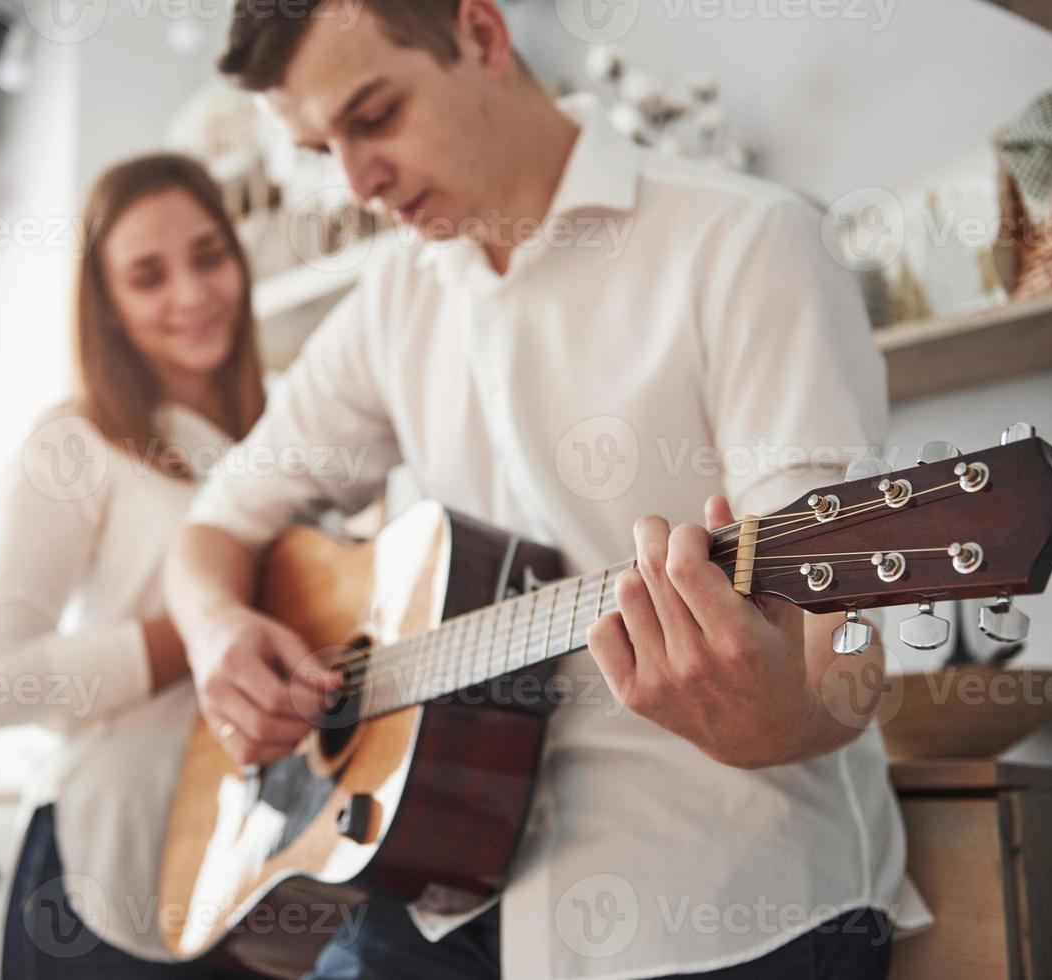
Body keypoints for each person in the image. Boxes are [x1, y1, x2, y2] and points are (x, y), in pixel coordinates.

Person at [163, 1, 931, 978]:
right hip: (442, 883)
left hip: (721, 899)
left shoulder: (747, 243)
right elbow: (214, 526)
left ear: (480, 36)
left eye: (372, 115)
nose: (355, 182)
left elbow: (843, 645)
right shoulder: (391, 303)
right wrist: (215, 632)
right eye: (322, 147)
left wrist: (779, 716)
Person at [0, 153, 265, 978]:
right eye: (147, 276)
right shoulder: (75, 443)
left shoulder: (286, 432)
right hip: (101, 870)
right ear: (105, 303)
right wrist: (212, 629)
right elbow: (1, 684)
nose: (192, 294)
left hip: (253, 862)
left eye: (209, 255)